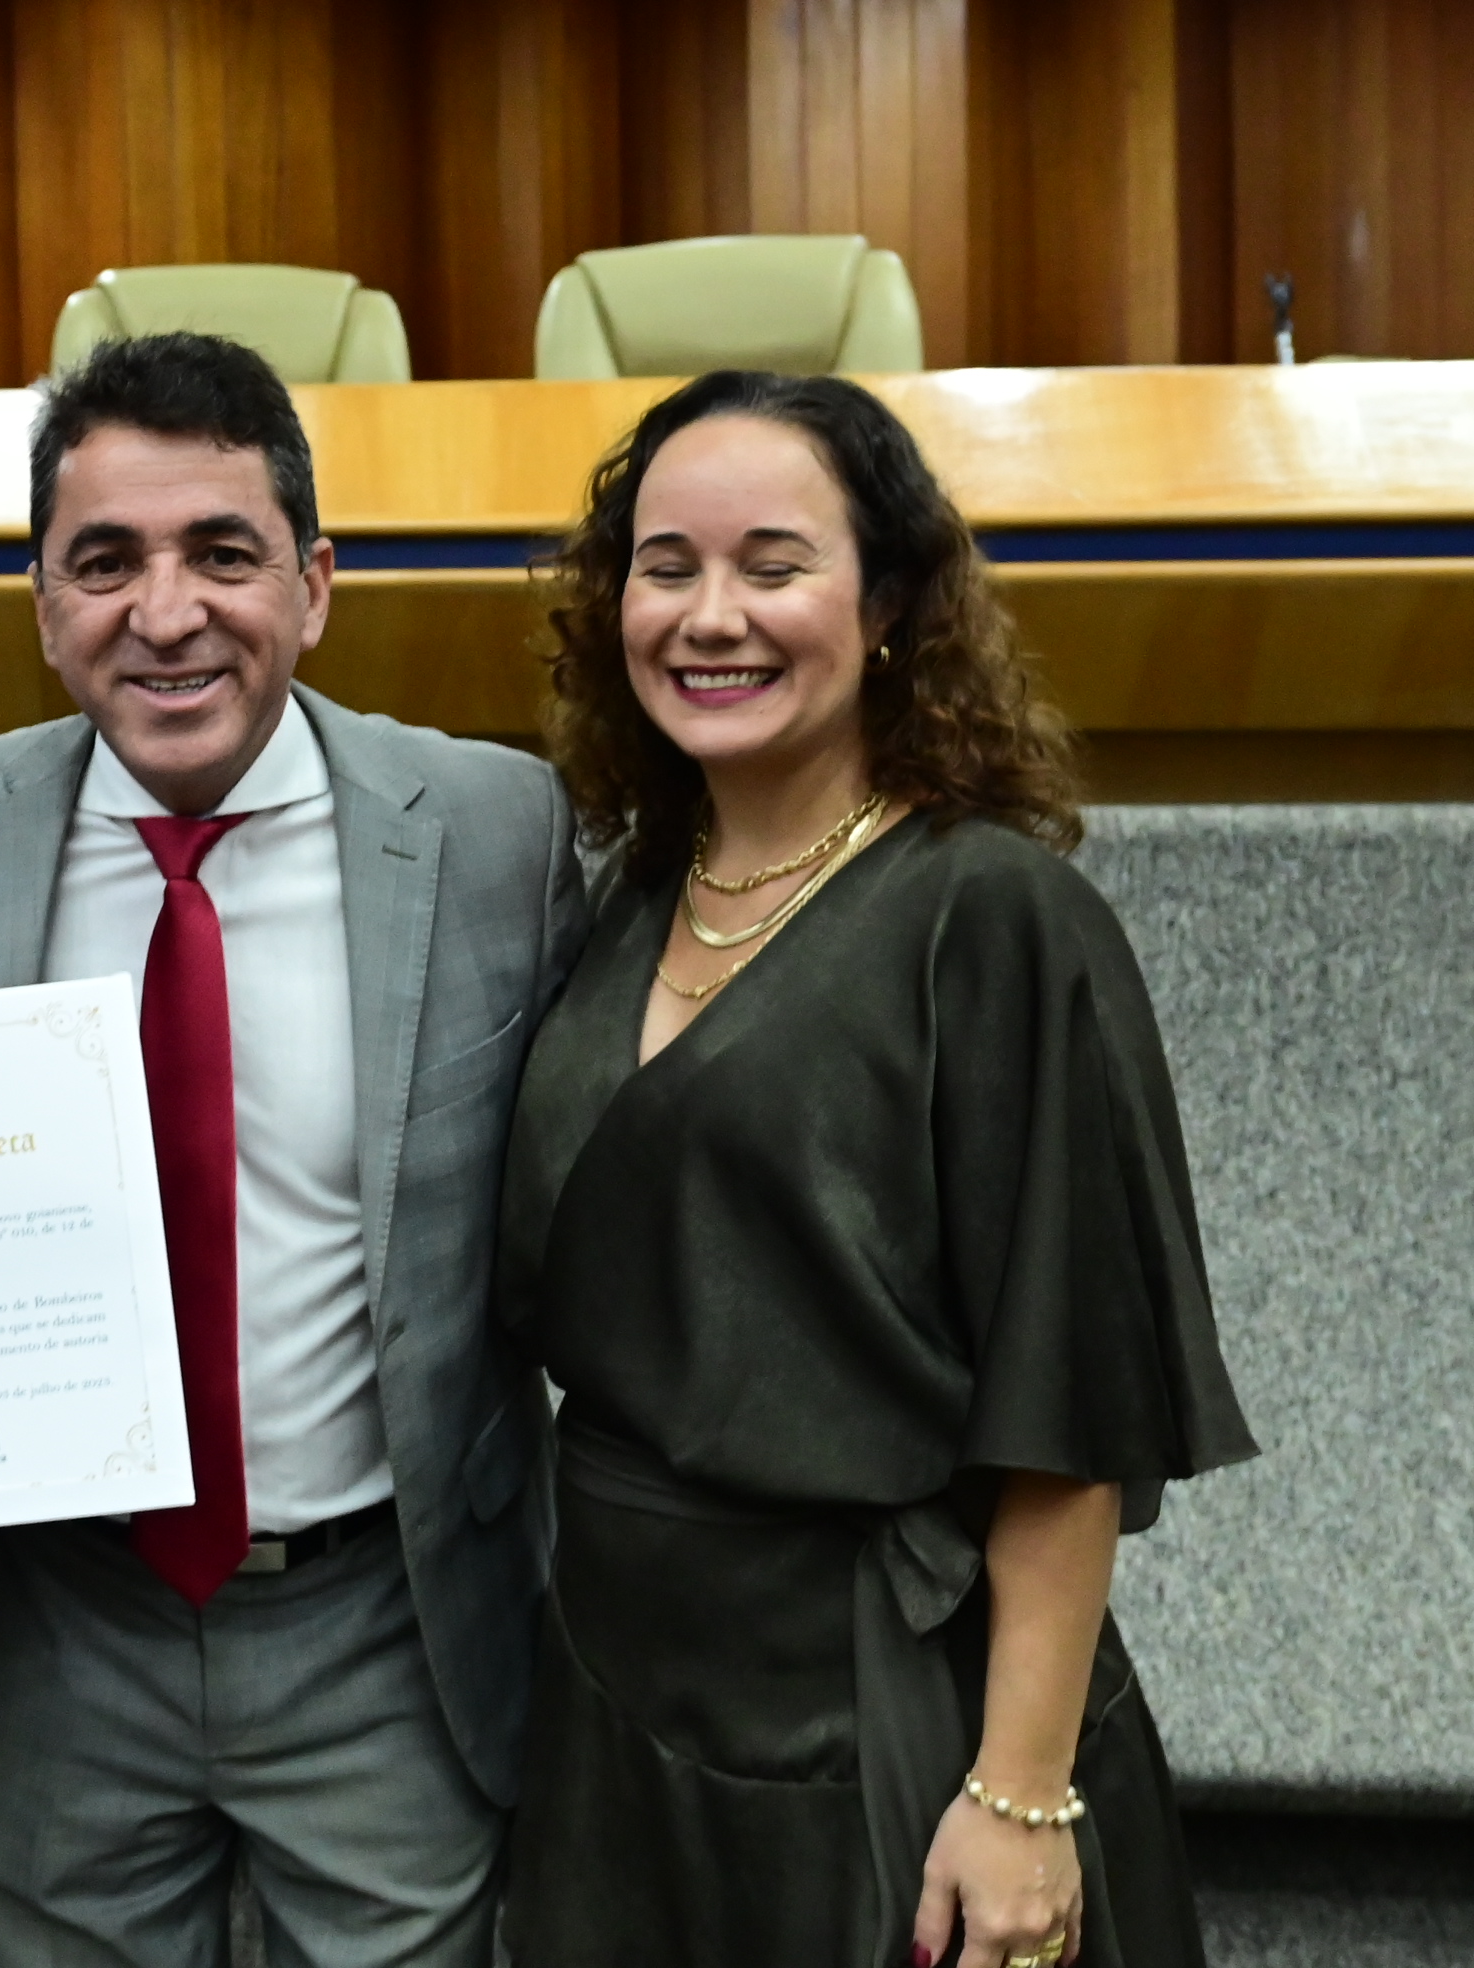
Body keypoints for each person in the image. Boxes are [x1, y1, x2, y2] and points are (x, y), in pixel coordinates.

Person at [493, 369, 1255, 1968]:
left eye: (773, 566)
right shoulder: (635, 892)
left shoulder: (998, 921)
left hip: (889, 1706)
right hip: (620, 1699)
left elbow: (1070, 1409)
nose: (710, 616)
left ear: (890, 603)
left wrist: (1022, 1792)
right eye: (665, 567)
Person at [0, 332, 589, 1965]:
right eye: (105, 562)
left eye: (222, 553)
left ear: (314, 587)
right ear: (42, 604)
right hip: (63, 1621)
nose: (166, 612)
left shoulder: (494, 832)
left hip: (383, 1621)